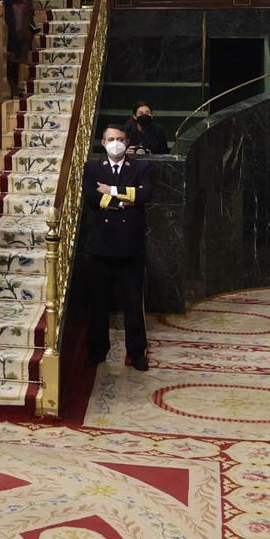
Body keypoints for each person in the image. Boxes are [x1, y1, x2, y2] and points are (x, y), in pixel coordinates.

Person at [80, 123, 151, 370]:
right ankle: (98, 351)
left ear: (127, 142)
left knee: (133, 303)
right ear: (103, 142)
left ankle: (137, 353)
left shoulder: (140, 167)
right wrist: (122, 202)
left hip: (130, 247)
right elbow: (91, 196)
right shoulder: (92, 168)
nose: (116, 143)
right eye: (111, 139)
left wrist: (111, 191)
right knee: (98, 303)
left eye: (120, 138)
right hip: (99, 247)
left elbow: (145, 195)